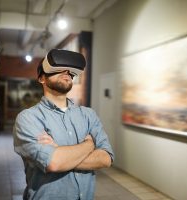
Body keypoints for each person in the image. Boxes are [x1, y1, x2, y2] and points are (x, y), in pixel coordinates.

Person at [13, 49, 114, 200]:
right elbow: (54, 163)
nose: (66, 72)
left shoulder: (88, 115)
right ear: (42, 78)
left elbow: (105, 159)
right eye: (58, 69)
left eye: (70, 71)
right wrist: (89, 146)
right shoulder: (28, 118)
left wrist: (61, 153)